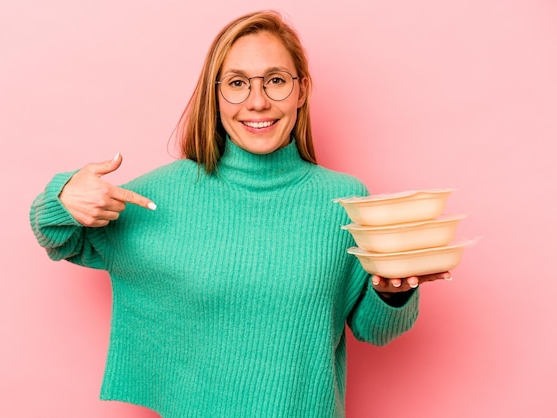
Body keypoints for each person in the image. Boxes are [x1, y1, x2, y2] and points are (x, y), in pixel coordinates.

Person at [30, 10, 451, 417]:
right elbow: (58, 236)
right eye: (237, 83)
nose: (258, 102)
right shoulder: (161, 194)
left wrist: (394, 291)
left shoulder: (344, 199)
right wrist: (62, 197)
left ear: (301, 90)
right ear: (215, 95)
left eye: (275, 81)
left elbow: (374, 329)